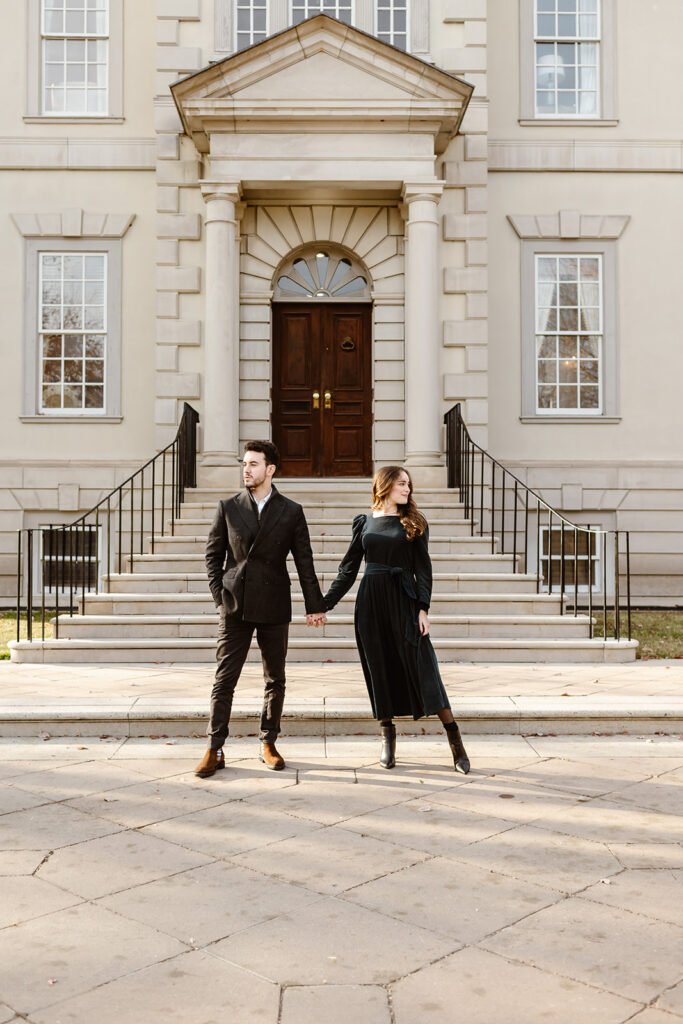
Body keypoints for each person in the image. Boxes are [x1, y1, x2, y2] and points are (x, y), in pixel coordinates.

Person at [323, 465, 470, 774]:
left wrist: (423, 608)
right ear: (386, 485)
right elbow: (347, 570)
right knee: (379, 670)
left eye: (408, 484)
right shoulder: (364, 523)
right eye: (402, 483)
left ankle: (455, 740)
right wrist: (324, 604)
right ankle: (387, 737)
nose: (407, 489)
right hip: (370, 604)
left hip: (403, 601)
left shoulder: (414, 522)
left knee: (424, 669)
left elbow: (423, 570)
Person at [194, 440, 327, 778]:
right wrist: (219, 596)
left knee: (275, 679)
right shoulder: (228, 507)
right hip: (235, 604)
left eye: (253, 464)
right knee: (224, 680)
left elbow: (304, 561)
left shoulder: (291, 511)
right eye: (244, 463)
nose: (246, 469)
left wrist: (315, 605)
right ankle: (214, 747)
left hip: (273, 603)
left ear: (270, 469)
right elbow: (213, 557)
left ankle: (268, 741)